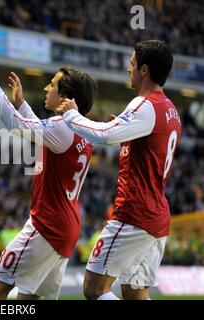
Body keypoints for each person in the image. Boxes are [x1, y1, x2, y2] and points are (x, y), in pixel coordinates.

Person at [55, 40, 181, 300]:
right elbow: (145, 144)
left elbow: (105, 136)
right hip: (157, 215)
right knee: (135, 293)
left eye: (132, 63)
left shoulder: (144, 105)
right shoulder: (171, 110)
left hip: (134, 214)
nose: (128, 68)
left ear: (144, 70)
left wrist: (71, 114)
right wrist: (125, 131)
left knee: (94, 288)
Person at [0, 61, 96, 299]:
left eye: (51, 85)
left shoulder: (61, 127)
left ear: (65, 96)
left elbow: (20, 127)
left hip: (47, 225)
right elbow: (39, 130)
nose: (45, 88)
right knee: (29, 298)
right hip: (67, 226)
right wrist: (21, 104)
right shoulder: (81, 128)